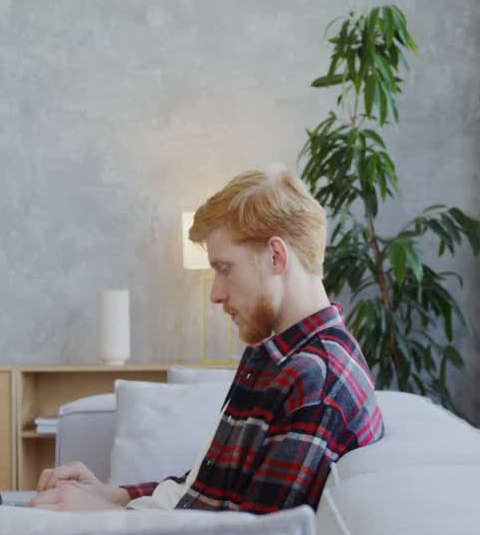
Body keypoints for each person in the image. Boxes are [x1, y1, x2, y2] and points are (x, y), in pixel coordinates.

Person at [31, 169, 384, 514]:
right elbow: (207, 486)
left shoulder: (315, 379)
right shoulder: (280, 357)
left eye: (225, 268)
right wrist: (114, 496)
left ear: (276, 257)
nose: (215, 294)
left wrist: (102, 516)